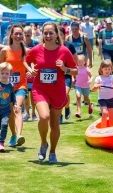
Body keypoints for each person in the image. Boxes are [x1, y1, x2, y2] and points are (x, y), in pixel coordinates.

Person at [26, 22, 77, 163]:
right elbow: (26, 60)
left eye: (51, 33)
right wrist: (30, 70)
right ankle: (43, 143)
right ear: (42, 34)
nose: (48, 36)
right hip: (40, 88)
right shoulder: (36, 49)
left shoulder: (64, 51)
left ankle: (53, 152)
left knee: (55, 124)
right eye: (45, 33)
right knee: (44, 117)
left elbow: (75, 70)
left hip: (58, 90)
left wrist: (65, 69)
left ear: (56, 35)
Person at [0, 24, 31, 147]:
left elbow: (32, 64)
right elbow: (1, 67)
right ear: (11, 35)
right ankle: (13, 134)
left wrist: (30, 70)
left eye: (20, 33)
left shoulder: (26, 51)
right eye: (16, 33)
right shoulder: (5, 51)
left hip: (21, 85)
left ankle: (19, 135)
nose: (18, 36)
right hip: (7, 86)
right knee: (11, 112)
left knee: (17, 108)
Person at [0, 62, 18, 152]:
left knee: (4, 124)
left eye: (7, 73)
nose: (4, 75)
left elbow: (13, 96)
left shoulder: (11, 85)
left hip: (6, 110)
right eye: (2, 73)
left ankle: (1, 143)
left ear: (10, 74)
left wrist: (15, 104)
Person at [92, 60, 113, 128]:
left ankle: (111, 127)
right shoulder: (98, 78)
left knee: (111, 115)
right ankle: (103, 128)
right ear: (102, 69)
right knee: (104, 113)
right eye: (105, 69)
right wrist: (96, 87)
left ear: (111, 69)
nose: (107, 71)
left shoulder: (112, 77)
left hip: (111, 99)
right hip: (102, 99)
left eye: (109, 69)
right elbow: (93, 90)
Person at [59, 27, 78, 124]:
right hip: (56, 75)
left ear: (64, 35)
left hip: (67, 74)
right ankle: (60, 115)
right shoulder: (52, 46)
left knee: (64, 94)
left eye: (61, 34)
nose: (58, 36)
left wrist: (74, 75)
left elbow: (75, 60)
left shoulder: (69, 46)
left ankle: (67, 107)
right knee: (58, 96)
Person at [23, 26, 39, 122]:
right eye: (25, 32)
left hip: (33, 72)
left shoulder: (35, 43)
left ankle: (33, 112)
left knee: (33, 95)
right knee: (25, 95)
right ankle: (27, 113)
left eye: (29, 32)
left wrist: (33, 70)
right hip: (23, 72)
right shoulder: (21, 44)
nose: (27, 34)